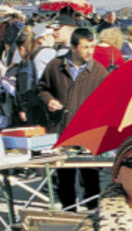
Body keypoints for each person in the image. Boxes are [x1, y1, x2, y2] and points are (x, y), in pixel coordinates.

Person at [37, 27, 105, 209]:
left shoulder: (98, 71)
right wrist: (49, 100)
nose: (90, 51)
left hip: (87, 134)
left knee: (91, 179)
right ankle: (68, 214)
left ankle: (93, 215)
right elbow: (41, 89)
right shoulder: (55, 65)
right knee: (65, 179)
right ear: (73, 48)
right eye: (85, 47)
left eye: (92, 46)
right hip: (61, 129)